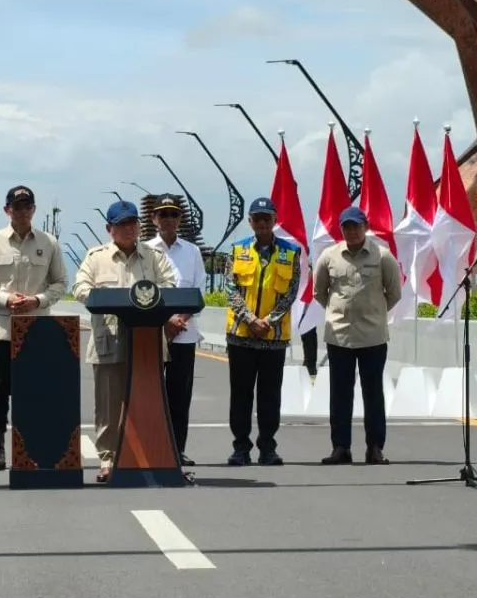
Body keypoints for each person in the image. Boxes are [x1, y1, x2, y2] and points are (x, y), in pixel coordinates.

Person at [72, 200, 177, 483]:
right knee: (108, 407)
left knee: (147, 402)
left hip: (146, 344)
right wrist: (97, 295)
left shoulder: (153, 257)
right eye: (122, 225)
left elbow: (170, 285)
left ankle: (146, 456)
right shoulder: (96, 257)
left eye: (133, 223)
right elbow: (79, 287)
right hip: (109, 340)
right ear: (110, 229)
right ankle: (108, 460)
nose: (129, 229)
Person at [0, 185, 68, 470]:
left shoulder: (49, 243)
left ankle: (33, 449)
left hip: (38, 329)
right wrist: (4, 299)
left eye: (27, 206)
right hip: (1, 330)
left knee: (36, 392)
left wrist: (37, 299)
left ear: (34, 209)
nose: (22, 211)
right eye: (16, 206)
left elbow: (61, 283)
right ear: (6, 210)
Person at [312, 206, 402, 465]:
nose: (351, 231)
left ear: (365, 226)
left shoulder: (383, 256)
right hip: (339, 336)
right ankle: (341, 447)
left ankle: (375, 447)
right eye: (346, 227)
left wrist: (373, 312)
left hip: (372, 336)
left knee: (373, 393)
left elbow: (394, 293)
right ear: (341, 229)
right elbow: (320, 292)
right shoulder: (329, 257)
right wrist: (338, 313)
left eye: (356, 226)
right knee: (340, 394)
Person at [223, 197, 302, 466]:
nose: (262, 223)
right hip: (241, 337)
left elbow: (291, 292)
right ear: (250, 222)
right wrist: (250, 319)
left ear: (274, 220)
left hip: (273, 337)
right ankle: (240, 448)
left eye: (267, 218)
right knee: (241, 396)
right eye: (257, 218)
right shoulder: (237, 250)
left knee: (270, 397)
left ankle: (268, 446)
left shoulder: (291, 252)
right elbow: (230, 289)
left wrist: (267, 320)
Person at [145, 193, 207, 467]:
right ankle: (150, 449)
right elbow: (142, 292)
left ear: (180, 219)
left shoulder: (192, 252)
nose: (169, 220)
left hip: (185, 333)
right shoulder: (144, 250)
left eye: (174, 214)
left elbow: (199, 290)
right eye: (163, 214)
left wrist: (180, 319)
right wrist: (164, 320)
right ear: (154, 218)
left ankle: (176, 450)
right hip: (153, 333)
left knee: (180, 396)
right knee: (150, 395)